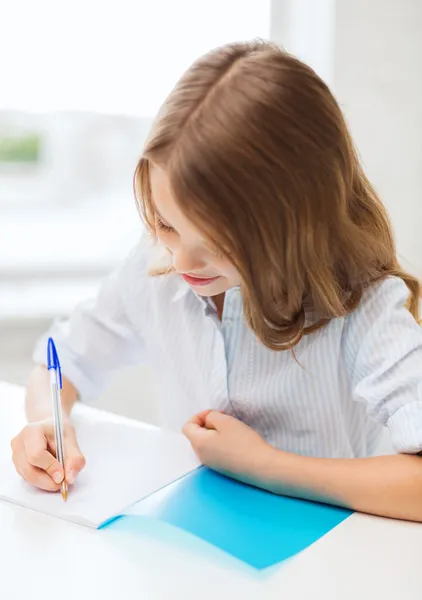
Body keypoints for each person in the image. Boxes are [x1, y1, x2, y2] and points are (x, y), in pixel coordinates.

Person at [11, 40, 422, 521]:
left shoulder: (362, 304)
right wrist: (46, 420)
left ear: (294, 224)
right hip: (190, 544)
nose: (182, 261)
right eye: (166, 224)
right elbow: (59, 362)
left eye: (216, 244)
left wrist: (268, 466)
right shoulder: (157, 268)